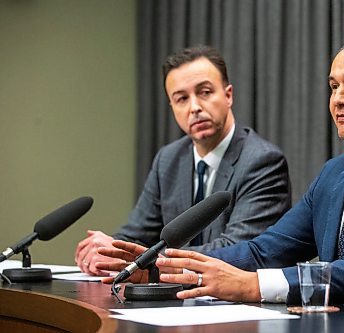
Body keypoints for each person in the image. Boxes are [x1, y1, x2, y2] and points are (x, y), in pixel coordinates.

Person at [96, 35, 344, 332]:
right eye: (333, 86)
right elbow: (267, 251)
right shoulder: (337, 172)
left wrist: (254, 286)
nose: (338, 99)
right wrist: (163, 268)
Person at [75, 45, 291, 276]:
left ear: (228, 95)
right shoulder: (168, 160)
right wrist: (109, 250)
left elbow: (237, 250)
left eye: (205, 92)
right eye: (181, 99)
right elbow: (135, 233)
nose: (195, 107)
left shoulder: (262, 161)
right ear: (172, 107)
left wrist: (142, 260)